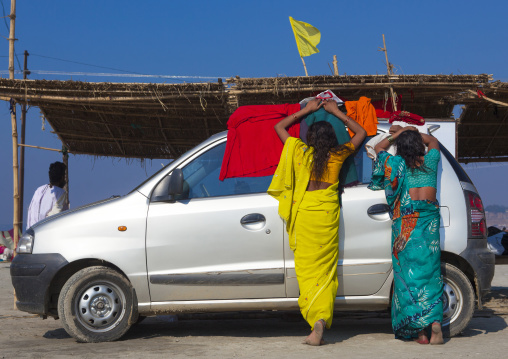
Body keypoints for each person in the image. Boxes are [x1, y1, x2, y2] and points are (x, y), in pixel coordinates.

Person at [268, 98, 367, 345]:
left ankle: (315, 321)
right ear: (332, 139)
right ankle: (320, 320)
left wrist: (306, 111)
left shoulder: (299, 152)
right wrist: (337, 112)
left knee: (307, 271)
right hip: (326, 217)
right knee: (325, 271)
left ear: (309, 138)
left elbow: (279, 128)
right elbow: (362, 133)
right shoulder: (338, 154)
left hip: (305, 216)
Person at [369, 125, 444, 345]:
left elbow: (378, 146)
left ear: (400, 147)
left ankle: (420, 333)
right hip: (428, 229)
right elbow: (434, 142)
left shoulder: (396, 165)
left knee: (408, 280)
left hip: (405, 231)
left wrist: (399, 134)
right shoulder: (431, 162)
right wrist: (413, 132)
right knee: (431, 277)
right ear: (419, 146)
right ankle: (435, 324)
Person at [26, 161, 68, 229]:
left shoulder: (39, 190)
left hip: (31, 231)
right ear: (62, 177)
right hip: (44, 231)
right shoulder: (60, 193)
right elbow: (54, 215)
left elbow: (30, 213)